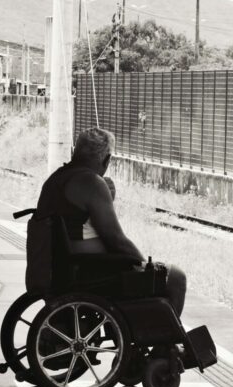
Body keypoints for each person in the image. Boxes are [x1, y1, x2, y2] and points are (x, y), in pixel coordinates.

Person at [30, 127, 187, 316]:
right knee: (175, 277)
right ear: (106, 159)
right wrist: (145, 265)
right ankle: (164, 343)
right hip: (88, 272)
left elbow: (80, 221)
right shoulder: (92, 182)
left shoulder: (57, 178)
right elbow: (116, 239)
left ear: (75, 152)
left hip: (57, 267)